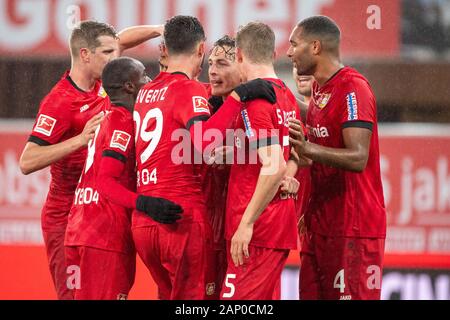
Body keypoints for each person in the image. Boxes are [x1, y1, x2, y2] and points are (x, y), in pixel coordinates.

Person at [132, 15, 277, 300]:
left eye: (221, 62)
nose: (210, 70)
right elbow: (205, 141)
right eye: (210, 60)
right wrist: (240, 96)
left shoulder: (146, 91)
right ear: (200, 49)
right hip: (184, 219)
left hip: (147, 220)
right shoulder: (193, 92)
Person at [18, 20, 164, 300]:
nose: (115, 58)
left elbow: (123, 39)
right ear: (85, 55)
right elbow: (27, 160)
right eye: (108, 53)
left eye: (116, 51)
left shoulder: (105, 81)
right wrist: (80, 139)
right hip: (65, 216)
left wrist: (161, 29)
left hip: (98, 211)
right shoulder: (60, 101)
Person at [64, 57, 183, 299]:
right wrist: (145, 204)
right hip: (104, 237)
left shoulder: (107, 118)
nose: (149, 81)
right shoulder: (122, 121)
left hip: (79, 232)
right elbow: (105, 181)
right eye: (144, 76)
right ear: (130, 86)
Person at [287, 15, 386, 300]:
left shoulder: (354, 88)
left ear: (315, 47)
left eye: (295, 45)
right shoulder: (320, 89)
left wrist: (307, 149)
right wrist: (272, 89)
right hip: (320, 227)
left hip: (353, 230)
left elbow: (358, 157)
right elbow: (319, 117)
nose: (290, 52)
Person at [220, 22, 302, 300]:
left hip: (257, 229)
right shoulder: (287, 97)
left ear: (239, 55)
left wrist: (247, 223)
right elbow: (291, 153)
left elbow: (274, 164)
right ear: (273, 55)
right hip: (275, 225)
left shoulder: (255, 101)